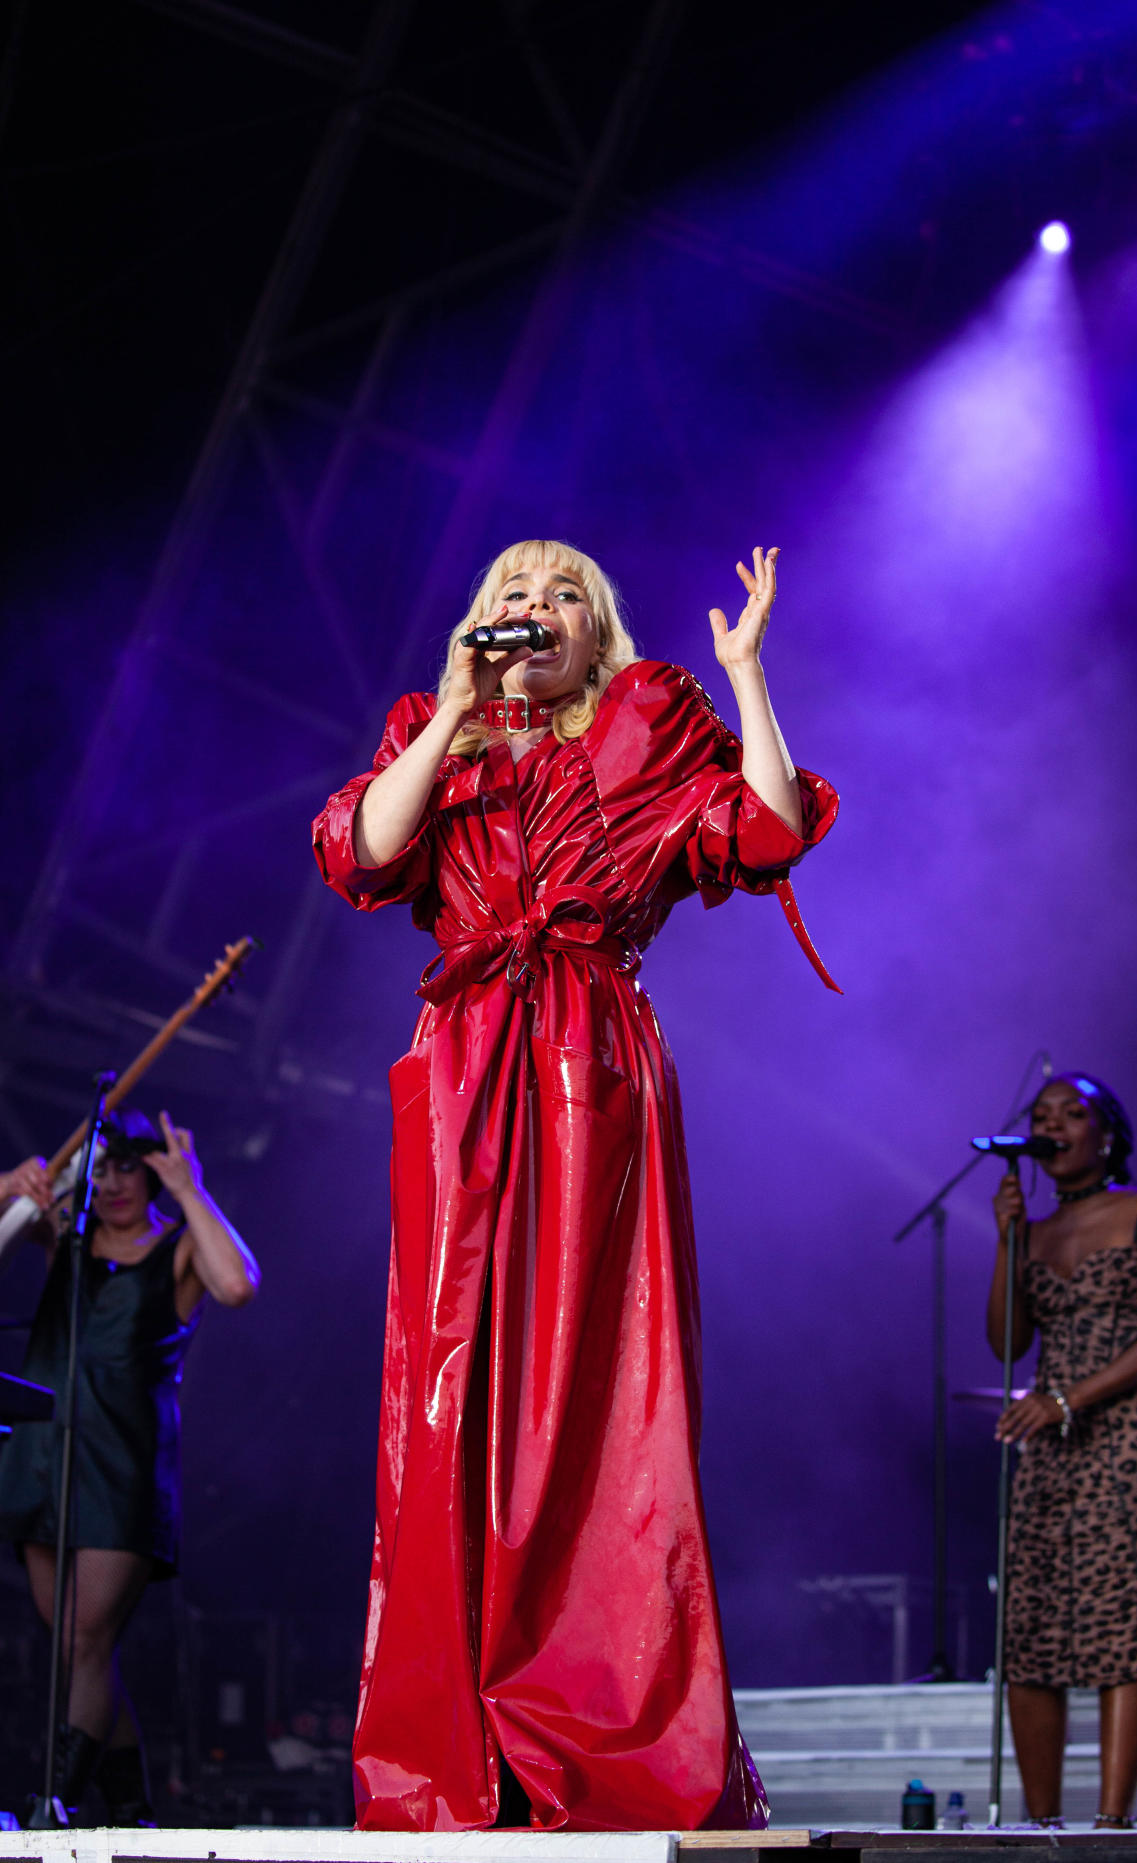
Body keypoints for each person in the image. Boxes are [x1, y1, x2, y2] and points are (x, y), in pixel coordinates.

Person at [312, 540, 837, 1833]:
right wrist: (450, 705)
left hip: (588, 1069)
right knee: (451, 1395)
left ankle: (605, 1720)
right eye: (507, 592)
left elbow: (766, 823)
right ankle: (465, 1742)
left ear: (596, 626)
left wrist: (747, 674)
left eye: (556, 592)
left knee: (594, 1389)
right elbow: (366, 850)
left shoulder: (650, 713)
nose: (527, 607)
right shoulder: (434, 731)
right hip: (461, 1070)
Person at [0, 1108, 260, 1824]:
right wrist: (9, 1187)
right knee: (79, 1649)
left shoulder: (177, 1252)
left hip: (122, 1468)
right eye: (103, 1166)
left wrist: (190, 1189)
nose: (114, 1182)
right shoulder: (66, 1241)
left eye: (129, 1166)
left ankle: (55, 1801)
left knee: (85, 1639)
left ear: (151, 1170)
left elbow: (236, 1284)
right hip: (43, 1455)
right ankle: (132, 1805)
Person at [987, 1073, 1137, 1831]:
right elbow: (1007, 1342)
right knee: (1031, 1623)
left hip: (1134, 1433)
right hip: (1051, 1437)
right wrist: (1009, 1239)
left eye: (1072, 1112)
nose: (1053, 1123)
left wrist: (1072, 1398)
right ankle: (1043, 1828)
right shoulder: (1034, 1228)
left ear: (1107, 1132)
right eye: (1040, 1115)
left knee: (1118, 1617)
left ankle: (1113, 1823)